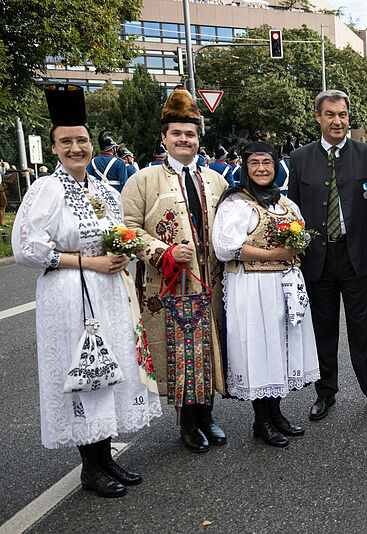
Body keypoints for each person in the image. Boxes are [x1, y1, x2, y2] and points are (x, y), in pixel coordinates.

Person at [12, 84, 161, 497]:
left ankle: (105, 457)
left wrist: (123, 253)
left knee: (108, 372)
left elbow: (118, 234)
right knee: (82, 372)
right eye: (66, 142)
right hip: (68, 293)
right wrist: (87, 261)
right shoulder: (47, 189)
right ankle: (89, 467)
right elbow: (26, 248)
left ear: (91, 143)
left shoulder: (100, 189)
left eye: (81, 140)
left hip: (109, 291)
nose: (75, 148)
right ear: (55, 146)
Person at [121, 88, 229, 453]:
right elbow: (128, 229)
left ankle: (208, 415)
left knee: (209, 348)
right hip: (170, 282)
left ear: (199, 138)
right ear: (164, 137)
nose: (184, 140)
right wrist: (164, 251)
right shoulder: (143, 180)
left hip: (211, 280)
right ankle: (187, 423)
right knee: (182, 351)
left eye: (191, 134)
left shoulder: (216, 180)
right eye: (177, 133)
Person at [288, 89, 367, 422]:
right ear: (318, 117)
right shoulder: (300, 158)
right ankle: (325, 392)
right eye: (330, 114)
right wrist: (293, 254)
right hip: (317, 259)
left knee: (365, 331)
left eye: (343, 115)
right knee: (323, 330)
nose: (337, 121)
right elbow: (292, 211)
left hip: (357, 257)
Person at [213, 141, 320, 447]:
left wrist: (297, 247)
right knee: (260, 349)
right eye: (254, 163)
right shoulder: (236, 204)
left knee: (281, 348)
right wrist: (274, 253)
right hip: (251, 285)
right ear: (245, 168)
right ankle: (262, 420)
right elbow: (224, 247)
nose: (261, 168)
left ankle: (276, 413)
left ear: (276, 167)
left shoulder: (286, 204)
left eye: (267, 163)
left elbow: (301, 237)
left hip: (283, 286)